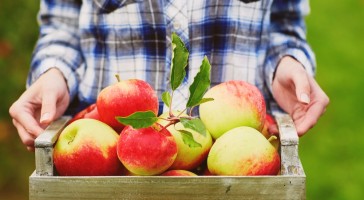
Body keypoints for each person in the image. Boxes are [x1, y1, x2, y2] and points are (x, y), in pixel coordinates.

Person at [9, 0, 329, 151]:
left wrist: (284, 62)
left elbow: (283, 23)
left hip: (241, 171)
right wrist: (55, 72)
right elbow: (62, 27)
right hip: (108, 167)